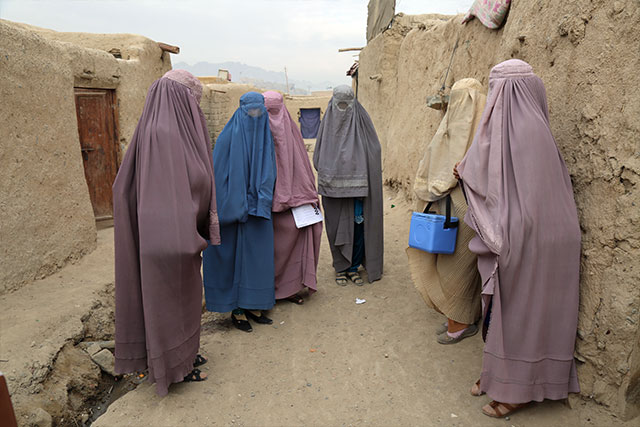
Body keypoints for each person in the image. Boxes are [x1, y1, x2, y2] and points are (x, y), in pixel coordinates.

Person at [456, 59, 581, 418]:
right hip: (545, 235)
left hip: (523, 236)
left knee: (518, 315)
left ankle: (519, 390)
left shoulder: (517, 134)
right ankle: (499, 376)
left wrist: (465, 175)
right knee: (520, 314)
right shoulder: (537, 130)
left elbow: (493, 190)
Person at [113, 69, 220, 396]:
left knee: (182, 305)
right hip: (170, 241)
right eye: (192, 100)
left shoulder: (157, 130)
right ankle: (173, 369)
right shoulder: (165, 134)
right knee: (169, 308)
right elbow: (171, 194)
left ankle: (184, 358)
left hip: (174, 236)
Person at [407, 78, 486, 344]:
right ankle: (459, 317)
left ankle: (460, 324)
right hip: (449, 207)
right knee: (452, 267)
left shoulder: (486, 133)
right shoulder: (452, 130)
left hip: (468, 208)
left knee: (459, 269)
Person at [202, 92, 277, 332]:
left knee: (257, 260)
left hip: (259, 211)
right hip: (231, 213)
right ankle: (235, 308)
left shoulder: (266, 137)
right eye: (250, 112)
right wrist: (236, 204)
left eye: (259, 112)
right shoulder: (226, 139)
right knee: (232, 260)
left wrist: (261, 199)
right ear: (242, 111)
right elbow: (216, 178)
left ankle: (253, 303)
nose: (255, 117)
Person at [313, 85, 383, 285]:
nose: (343, 110)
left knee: (358, 226)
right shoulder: (327, 126)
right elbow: (318, 157)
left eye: (347, 105)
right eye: (339, 105)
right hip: (332, 190)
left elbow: (374, 149)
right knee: (335, 228)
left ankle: (353, 267)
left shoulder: (362, 121)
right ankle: (340, 267)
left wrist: (361, 168)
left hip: (359, 189)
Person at [263, 91, 322, 305]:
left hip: (286, 204)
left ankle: (290, 287)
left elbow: (303, 168)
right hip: (268, 204)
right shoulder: (257, 134)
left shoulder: (287, 133)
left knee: (290, 242)